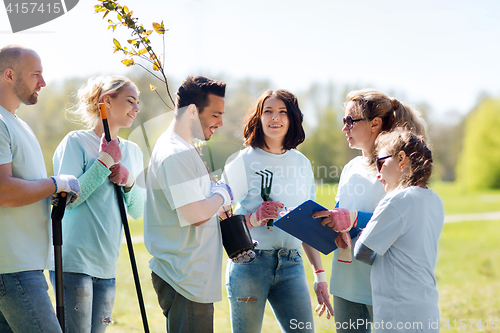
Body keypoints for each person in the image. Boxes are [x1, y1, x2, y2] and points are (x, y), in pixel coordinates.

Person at [312, 89, 427, 333]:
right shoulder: (349, 168)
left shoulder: (400, 167)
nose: (344, 128)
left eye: (350, 121)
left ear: (375, 123)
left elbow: (407, 221)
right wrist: (332, 226)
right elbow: (346, 221)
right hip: (346, 284)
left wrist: (353, 219)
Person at [222, 89, 333, 333]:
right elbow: (221, 216)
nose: (275, 118)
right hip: (250, 263)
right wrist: (253, 218)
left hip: (292, 265)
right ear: (258, 118)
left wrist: (320, 275)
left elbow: (308, 223)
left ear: (292, 119)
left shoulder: (302, 163)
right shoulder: (242, 161)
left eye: (283, 112)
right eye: (268, 111)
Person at [48, 75, 144, 332]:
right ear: (106, 102)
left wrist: (129, 181)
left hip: (107, 265)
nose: (137, 108)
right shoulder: (76, 142)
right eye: (131, 101)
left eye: (138, 103)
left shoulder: (133, 151)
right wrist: (103, 163)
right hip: (74, 262)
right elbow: (66, 202)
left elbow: (137, 210)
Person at [0, 44, 80, 332]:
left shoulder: (17, 123)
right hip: (13, 268)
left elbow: (20, 188)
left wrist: (52, 194)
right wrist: (54, 183)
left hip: (23, 265)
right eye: (36, 75)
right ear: (9, 75)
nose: (43, 83)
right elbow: (4, 191)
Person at [144, 75, 232, 333]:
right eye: (215, 114)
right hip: (185, 280)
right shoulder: (175, 152)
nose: (221, 122)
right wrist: (223, 194)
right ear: (193, 111)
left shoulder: (183, 148)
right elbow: (195, 214)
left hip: (189, 279)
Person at [354, 128, 443, 332]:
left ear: (401, 158)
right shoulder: (434, 200)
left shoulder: (397, 200)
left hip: (397, 312)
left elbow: (362, 252)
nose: (378, 174)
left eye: (381, 163)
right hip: (426, 309)